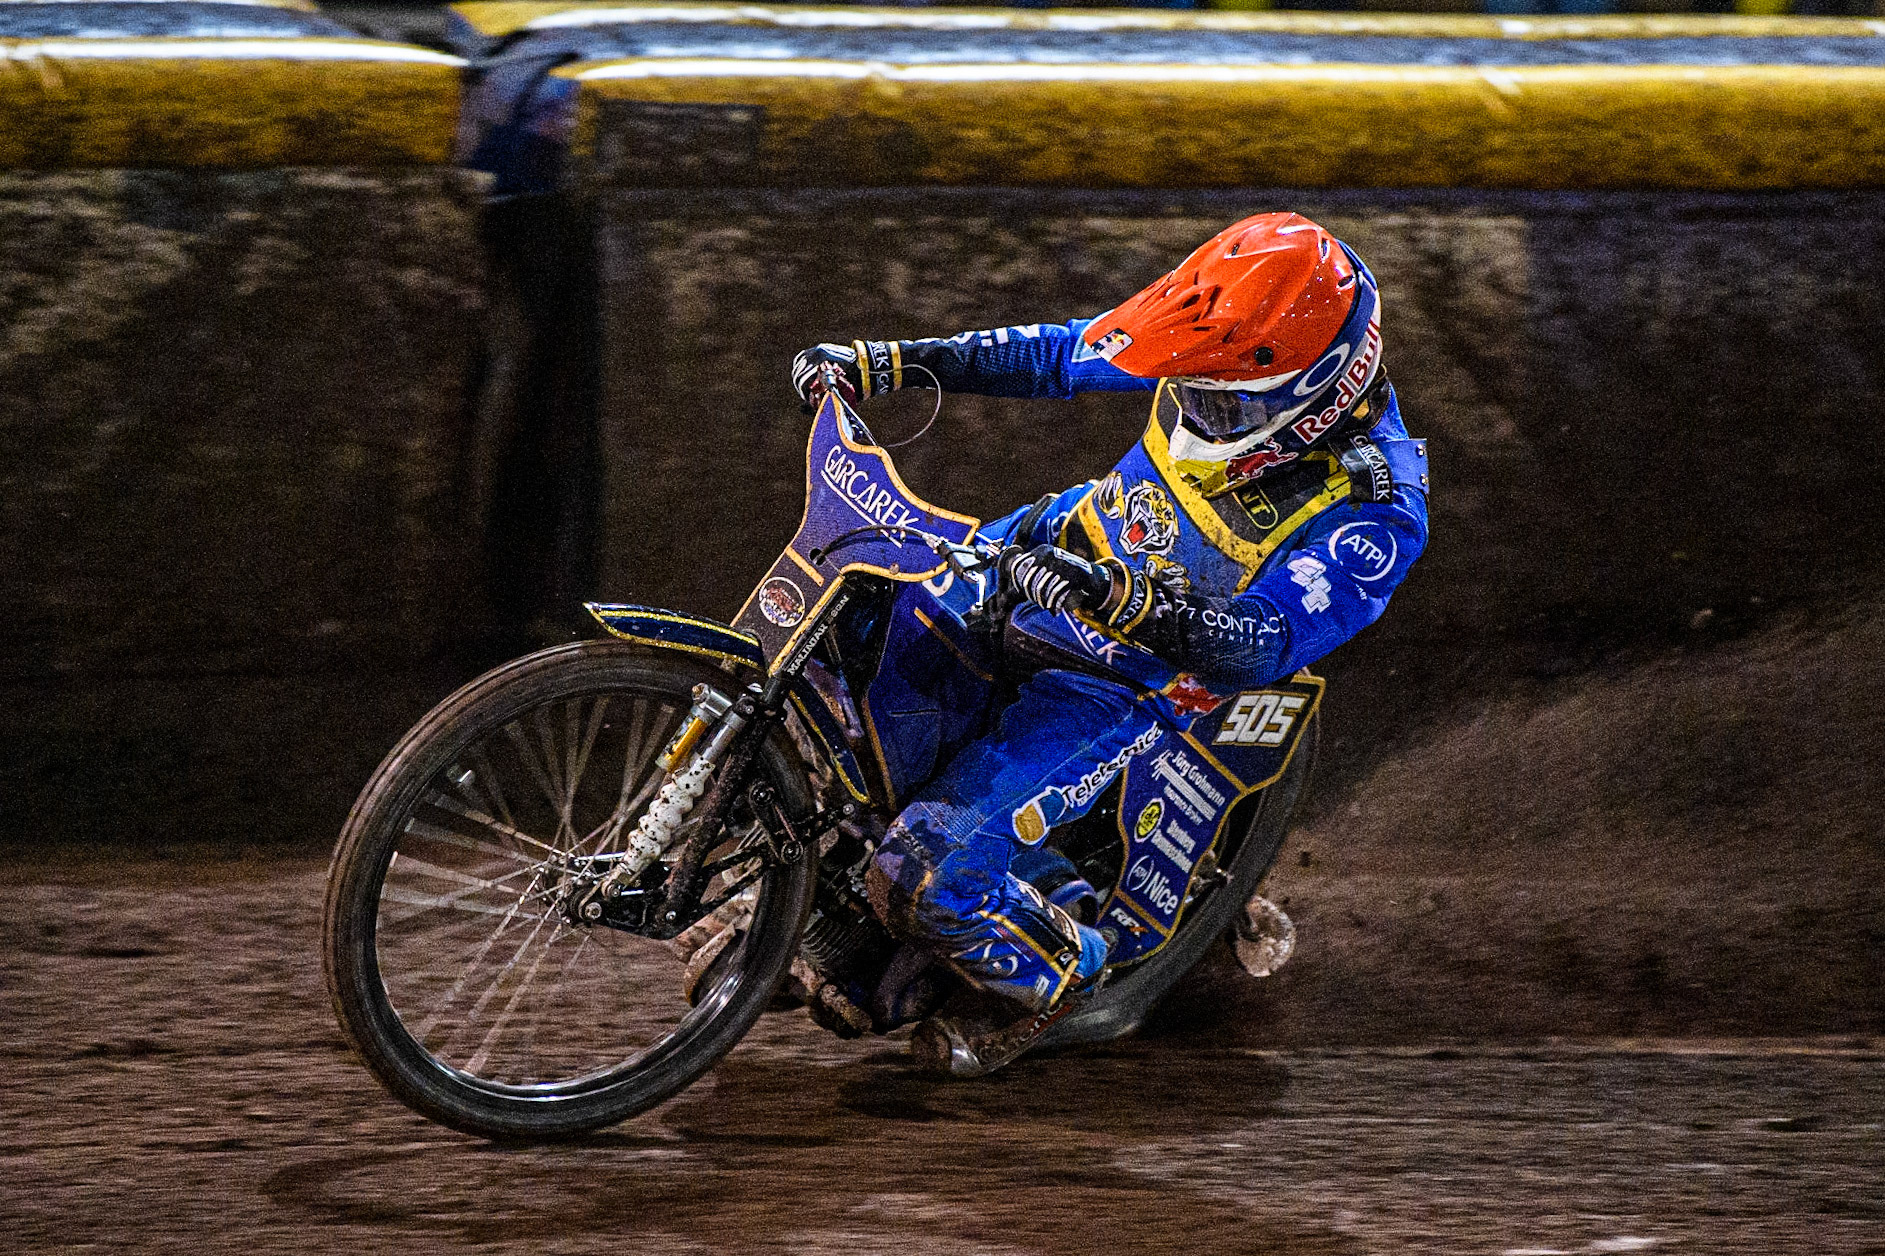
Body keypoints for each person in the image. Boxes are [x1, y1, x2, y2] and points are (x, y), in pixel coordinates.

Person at [790, 212, 1430, 1076]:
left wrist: (1125, 599)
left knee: (923, 877)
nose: (1194, 407)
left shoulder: (1376, 509)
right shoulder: (1214, 339)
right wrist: (894, 361)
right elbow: (1059, 353)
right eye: (1188, 384)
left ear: (1315, 395)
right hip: (1041, 553)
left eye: (1219, 400)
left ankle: (1073, 973)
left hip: (1121, 682)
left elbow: (1261, 644)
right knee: (839, 650)